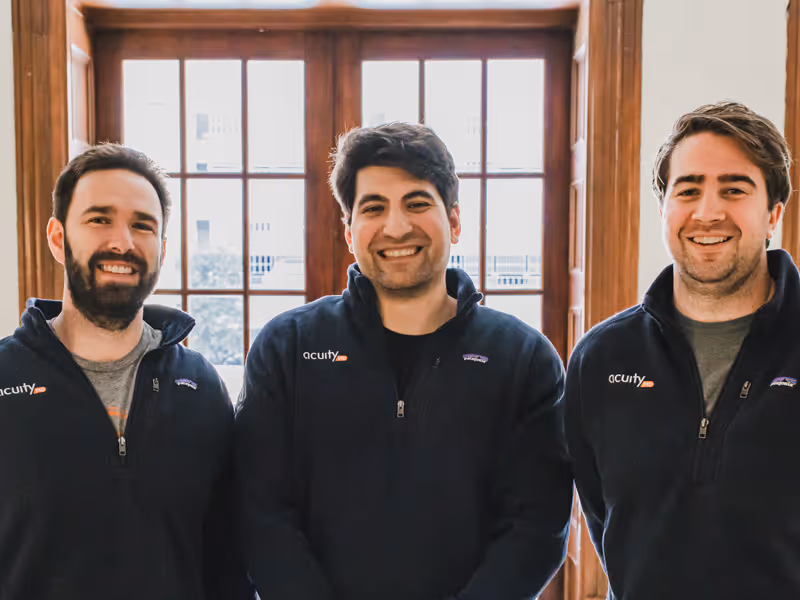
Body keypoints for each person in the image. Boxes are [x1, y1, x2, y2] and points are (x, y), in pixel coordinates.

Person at [236, 122, 573, 600]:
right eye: (374, 208)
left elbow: (536, 527)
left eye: (416, 204)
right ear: (348, 231)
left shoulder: (524, 358)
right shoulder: (285, 347)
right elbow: (261, 514)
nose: (396, 227)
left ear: (454, 221)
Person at [565, 101, 800, 598]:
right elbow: (608, 521)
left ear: (773, 213)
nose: (707, 212)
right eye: (688, 190)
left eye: (734, 189)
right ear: (664, 210)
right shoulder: (600, 359)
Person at [0, 144, 252, 600]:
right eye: (100, 219)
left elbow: (227, 564)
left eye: (142, 225)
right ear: (58, 238)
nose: (123, 242)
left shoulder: (200, 387)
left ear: (162, 249)